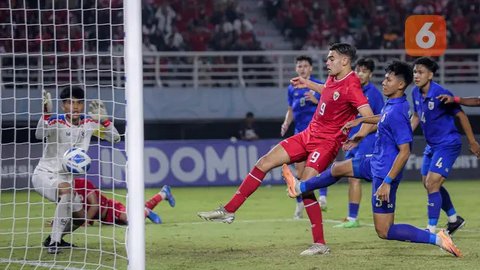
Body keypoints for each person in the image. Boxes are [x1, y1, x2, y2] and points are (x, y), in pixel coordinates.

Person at [198, 43, 375, 255]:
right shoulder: (333, 77)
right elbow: (329, 92)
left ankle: (320, 244)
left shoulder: (352, 85)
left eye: (331, 58)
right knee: (263, 162)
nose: (327, 62)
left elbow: (370, 117)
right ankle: (229, 210)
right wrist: (307, 83)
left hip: (327, 143)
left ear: (344, 61)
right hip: (308, 134)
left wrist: (358, 136)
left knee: (305, 186)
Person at [282, 61, 462, 257]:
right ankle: (300, 187)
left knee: (385, 231)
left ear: (400, 85)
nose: (383, 82)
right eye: (384, 78)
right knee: (337, 169)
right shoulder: (393, 104)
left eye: (388, 79)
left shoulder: (398, 113)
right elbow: (383, 117)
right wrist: (361, 123)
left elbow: (405, 151)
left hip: (384, 172)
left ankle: (438, 239)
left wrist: (387, 182)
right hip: (375, 161)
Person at [33, 86, 121, 254]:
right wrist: (45, 115)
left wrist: (104, 121)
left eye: (79, 103)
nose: (75, 106)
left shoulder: (89, 123)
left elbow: (116, 139)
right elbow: (39, 134)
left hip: (66, 179)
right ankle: (54, 242)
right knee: (66, 191)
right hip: (45, 175)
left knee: (80, 218)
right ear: (62, 106)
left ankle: (55, 238)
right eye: (70, 102)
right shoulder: (55, 121)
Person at [410, 57, 480, 234]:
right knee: (428, 184)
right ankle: (454, 219)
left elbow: (462, 116)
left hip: (448, 144)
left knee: (432, 183)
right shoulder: (415, 92)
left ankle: (431, 229)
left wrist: (472, 142)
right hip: (431, 145)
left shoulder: (441, 93)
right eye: (415, 72)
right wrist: (405, 134)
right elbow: (417, 116)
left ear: (431, 75)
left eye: (420, 72)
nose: (416, 75)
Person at [334, 58, 384, 228]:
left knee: (370, 178)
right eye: (358, 70)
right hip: (352, 141)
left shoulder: (375, 94)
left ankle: (376, 215)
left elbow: (381, 120)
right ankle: (352, 218)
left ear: (370, 74)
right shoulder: (350, 90)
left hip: (367, 141)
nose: (360, 74)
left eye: (364, 71)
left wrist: (361, 135)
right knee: (352, 178)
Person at [280, 55, 325, 219]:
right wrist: (286, 123)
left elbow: (329, 108)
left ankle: (323, 197)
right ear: (296, 69)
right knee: (300, 172)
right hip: (299, 133)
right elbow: (290, 109)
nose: (302, 69)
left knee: (316, 168)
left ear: (311, 68)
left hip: (317, 133)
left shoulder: (318, 85)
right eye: (299, 66)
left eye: (305, 66)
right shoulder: (292, 87)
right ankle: (300, 204)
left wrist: (315, 101)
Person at [72, 178, 176, 225]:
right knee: (134, 213)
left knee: (130, 219)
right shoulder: (66, 192)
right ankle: (163, 194)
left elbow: (95, 205)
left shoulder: (83, 183)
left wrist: (85, 221)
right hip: (105, 219)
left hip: (111, 208)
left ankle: (146, 211)